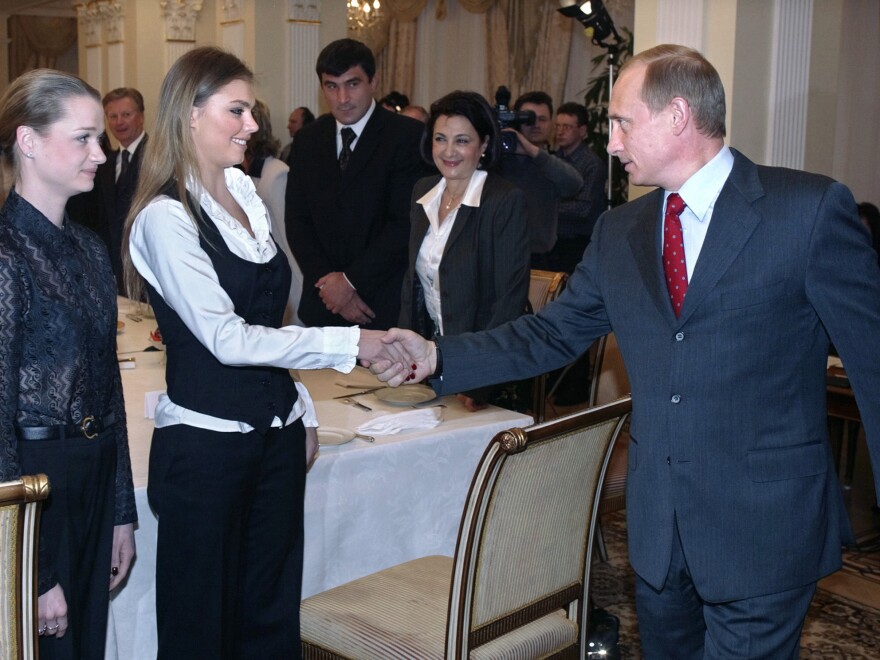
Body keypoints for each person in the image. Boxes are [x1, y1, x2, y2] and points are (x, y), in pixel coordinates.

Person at [376, 44, 880, 658]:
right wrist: (436, 356)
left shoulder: (805, 211)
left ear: (676, 115)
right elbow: (550, 334)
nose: (610, 143)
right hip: (659, 529)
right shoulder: (622, 232)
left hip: (765, 526)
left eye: (621, 122)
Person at [121, 46, 408, 658]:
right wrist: (352, 342)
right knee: (201, 626)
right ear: (190, 115)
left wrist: (297, 407)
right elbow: (226, 338)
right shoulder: (165, 217)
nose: (253, 125)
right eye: (238, 110)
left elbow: (267, 318)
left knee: (270, 617)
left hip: (274, 440)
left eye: (250, 111)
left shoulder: (244, 194)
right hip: (206, 447)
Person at [0, 69, 136, 659]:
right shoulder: (5, 256)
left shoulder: (89, 247)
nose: (100, 155)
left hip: (94, 470)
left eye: (99, 138)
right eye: (82, 138)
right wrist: (32, 567)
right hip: (34, 485)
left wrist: (122, 512)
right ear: (28, 142)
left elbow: (108, 390)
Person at [399, 91, 529, 411]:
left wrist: (479, 377)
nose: (449, 151)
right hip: (432, 364)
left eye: (462, 140)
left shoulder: (504, 200)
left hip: (486, 375)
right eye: (441, 139)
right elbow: (412, 285)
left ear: (483, 145)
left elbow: (509, 300)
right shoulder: (423, 192)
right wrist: (405, 356)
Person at [285, 38, 426, 330]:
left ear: (373, 81)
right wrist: (330, 286)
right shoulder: (308, 140)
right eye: (331, 86)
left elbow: (405, 223)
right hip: (323, 305)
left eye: (352, 84)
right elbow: (297, 221)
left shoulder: (407, 136)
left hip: (381, 305)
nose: (342, 98)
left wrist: (349, 283)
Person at [67, 87, 147, 293]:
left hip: (148, 269)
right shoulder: (104, 164)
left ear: (141, 117)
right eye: (113, 116)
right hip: (114, 273)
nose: (119, 122)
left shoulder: (158, 158)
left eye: (126, 115)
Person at [496, 90, 582, 267]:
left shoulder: (550, 163)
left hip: (539, 258)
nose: (535, 124)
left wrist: (532, 151)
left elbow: (574, 185)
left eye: (542, 119)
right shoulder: (497, 161)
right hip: (499, 254)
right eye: (527, 118)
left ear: (552, 124)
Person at [241, 99, 303, 326]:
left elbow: (289, 244)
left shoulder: (277, 174)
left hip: (289, 293)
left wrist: (296, 305)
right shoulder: (244, 175)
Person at [548, 101, 607, 274]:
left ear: (582, 131)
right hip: (554, 240)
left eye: (567, 126)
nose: (560, 131)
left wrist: (546, 208)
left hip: (578, 243)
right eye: (557, 126)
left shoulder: (592, 164)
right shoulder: (553, 160)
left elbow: (583, 208)